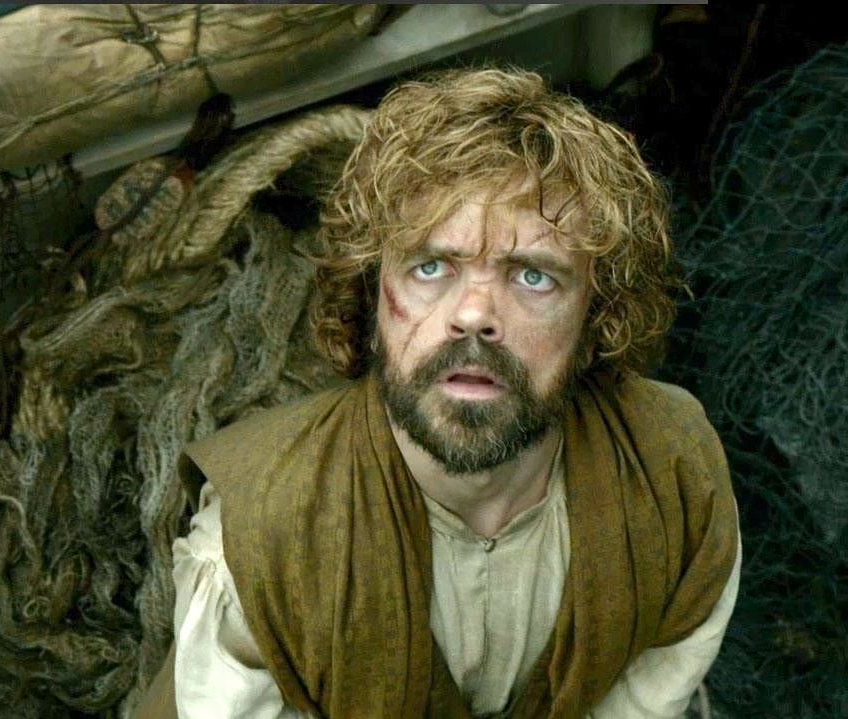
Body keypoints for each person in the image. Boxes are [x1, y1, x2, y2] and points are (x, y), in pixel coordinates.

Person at [137, 67, 741, 719]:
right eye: (431, 267)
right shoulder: (264, 542)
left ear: (597, 320)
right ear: (371, 299)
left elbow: (654, 684)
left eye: (533, 276)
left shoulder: (674, 473)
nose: (474, 314)